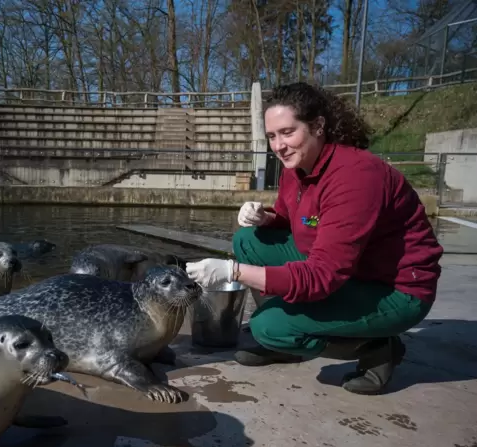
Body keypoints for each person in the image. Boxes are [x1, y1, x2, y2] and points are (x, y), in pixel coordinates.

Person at [186, 81, 444, 395]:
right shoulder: (295, 166)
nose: (278, 146)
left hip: (395, 289)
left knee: (268, 325)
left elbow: (322, 275)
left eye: (287, 132)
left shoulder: (355, 177)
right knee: (248, 240)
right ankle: (291, 338)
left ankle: (377, 348)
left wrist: (233, 272)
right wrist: (266, 217)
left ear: (318, 126)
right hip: (349, 269)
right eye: (271, 136)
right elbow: (291, 217)